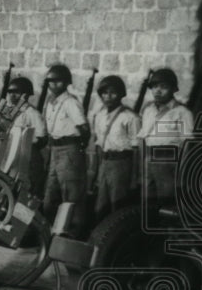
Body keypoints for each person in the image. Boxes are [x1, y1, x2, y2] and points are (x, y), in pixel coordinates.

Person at [42, 63, 89, 230]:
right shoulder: (50, 102)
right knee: (51, 193)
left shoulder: (70, 102)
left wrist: (78, 149)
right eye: (51, 81)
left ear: (66, 83)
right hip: (54, 148)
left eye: (58, 81)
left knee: (71, 193)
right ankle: (50, 231)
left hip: (69, 148)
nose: (54, 85)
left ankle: (74, 231)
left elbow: (84, 128)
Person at [86, 76, 140, 221]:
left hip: (121, 163)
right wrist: (96, 171)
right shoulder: (99, 116)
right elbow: (98, 145)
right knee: (100, 206)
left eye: (113, 93)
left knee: (117, 204)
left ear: (121, 94)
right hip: (105, 162)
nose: (108, 97)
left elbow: (136, 149)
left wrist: (134, 177)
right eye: (104, 93)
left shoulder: (130, 117)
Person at [137, 68, 193, 204]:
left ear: (173, 89)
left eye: (163, 87)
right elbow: (142, 138)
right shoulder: (148, 110)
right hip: (148, 160)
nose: (158, 91)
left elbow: (187, 145)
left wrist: (181, 172)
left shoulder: (182, 112)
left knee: (166, 204)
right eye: (155, 86)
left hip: (168, 161)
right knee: (147, 203)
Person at [2, 77, 47, 194]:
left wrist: (27, 143)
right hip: (11, 152)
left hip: (29, 154)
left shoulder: (32, 113)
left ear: (25, 95)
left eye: (16, 93)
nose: (12, 95)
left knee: (29, 187)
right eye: (10, 92)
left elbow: (42, 138)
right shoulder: (9, 112)